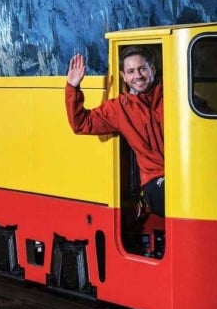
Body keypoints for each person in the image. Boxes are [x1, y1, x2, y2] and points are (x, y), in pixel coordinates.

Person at [64, 47, 165, 216]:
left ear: (152, 69)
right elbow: (81, 123)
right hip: (156, 180)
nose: (138, 76)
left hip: (186, 171)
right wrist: (72, 87)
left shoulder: (175, 94)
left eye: (142, 68)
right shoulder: (120, 107)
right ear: (124, 77)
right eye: (131, 71)